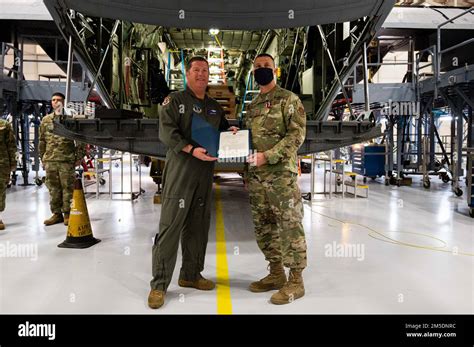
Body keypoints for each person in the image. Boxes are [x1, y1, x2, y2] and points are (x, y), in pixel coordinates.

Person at [148, 56, 238, 309]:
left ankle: (190, 274)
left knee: (198, 226)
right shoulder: (174, 101)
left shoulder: (213, 107)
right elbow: (167, 131)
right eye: (196, 70)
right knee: (171, 226)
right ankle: (158, 285)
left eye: (205, 71)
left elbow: (220, 131)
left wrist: (230, 133)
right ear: (187, 74)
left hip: (204, 173)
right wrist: (190, 148)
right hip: (181, 170)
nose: (201, 74)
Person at [243, 53, 308, 305]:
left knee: (289, 226)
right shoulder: (253, 105)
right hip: (257, 178)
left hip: (281, 177)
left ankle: (296, 281)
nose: (262, 70)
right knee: (264, 228)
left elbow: (296, 136)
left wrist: (267, 156)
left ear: (275, 70)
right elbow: (249, 141)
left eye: (266, 66)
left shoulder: (288, 100)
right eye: (258, 67)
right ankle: (276, 273)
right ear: (253, 72)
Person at [39, 92, 86, 226]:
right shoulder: (46, 120)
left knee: (68, 188)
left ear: (64, 102)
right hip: (50, 160)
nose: (55, 102)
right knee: (53, 188)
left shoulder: (71, 119)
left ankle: (68, 213)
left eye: (58, 100)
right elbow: (42, 140)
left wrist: (79, 157)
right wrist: (42, 157)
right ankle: (56, 214)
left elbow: (81, 140)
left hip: (67, 159)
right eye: (53, 100)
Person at [0, 118, 17, 230]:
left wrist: (13, 162)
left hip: (2, 163)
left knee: (0, 190)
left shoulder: (4, 125)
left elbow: (11, 145)